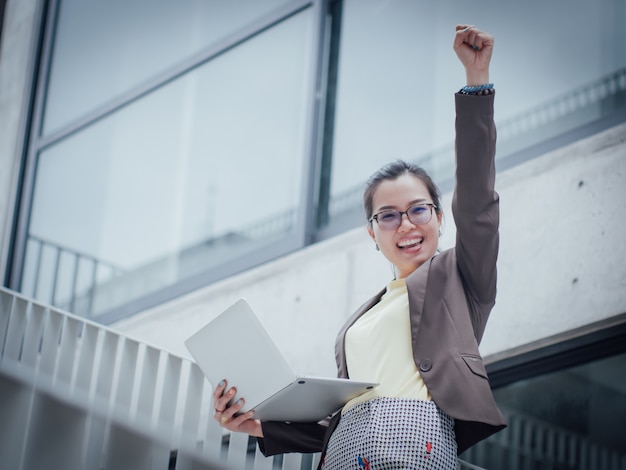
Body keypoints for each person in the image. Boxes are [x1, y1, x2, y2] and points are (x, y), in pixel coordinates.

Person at [212, 24, 506, 469]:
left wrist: (476, 85)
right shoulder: (364, 317)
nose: (405, 224)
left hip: (414, 446)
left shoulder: (460, 279)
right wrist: (256, 423)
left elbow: (478, 204)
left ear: (440, 218)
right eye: (388, 215)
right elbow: (343, 420)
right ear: (373, 233)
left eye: (419, 210)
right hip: (345, 454)